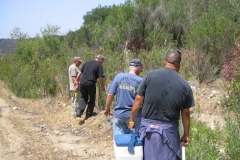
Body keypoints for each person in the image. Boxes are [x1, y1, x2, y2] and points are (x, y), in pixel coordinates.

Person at [128, 51, 195, 160]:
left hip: (147, 130)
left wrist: (131, 120)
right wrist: (186, 134)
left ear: (164, 62)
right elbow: (185, 113)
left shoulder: (150, 75)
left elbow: (138, 99)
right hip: (168, 131)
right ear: (179, 64)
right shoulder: (184, 85)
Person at [104, 59, 143, 136]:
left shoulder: (119, 77)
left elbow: (110, 95)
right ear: (138, 68)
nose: (142, 70)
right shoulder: (141, 81)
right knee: (134, 143)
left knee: (120, 143)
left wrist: (107, 108)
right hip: (134, 116)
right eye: (142, 68)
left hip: (119, 115)